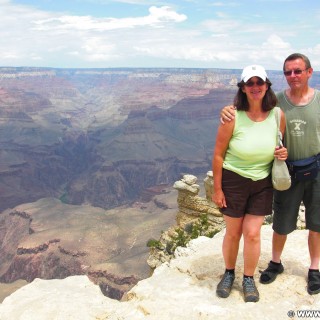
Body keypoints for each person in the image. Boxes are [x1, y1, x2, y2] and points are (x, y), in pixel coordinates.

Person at [220, 53, 320, 295]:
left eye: (298, 71)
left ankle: (315, 269)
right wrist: (226, 110)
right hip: (285, 173)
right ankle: (275, 263)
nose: (293, 76)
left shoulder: (312, 102)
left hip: (315, 169)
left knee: (316, 223)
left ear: (309, 71)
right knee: (281, 223)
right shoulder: (277, 105)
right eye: (288, 72)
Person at [212, 64, 287, 303]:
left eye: (259, 82)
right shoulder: (232, 116)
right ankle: (229, 272)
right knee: (233, 233)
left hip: (262, 181)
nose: (255, 87)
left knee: (253, 234)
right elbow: (218, 155)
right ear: (243, 88)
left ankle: (248, 278)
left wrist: (282, 154)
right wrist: (218, 189)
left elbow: (279, 144)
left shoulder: (277, 115)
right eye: (250, 83)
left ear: (267, 85)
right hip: (234, 180)